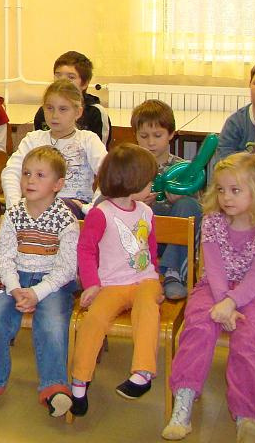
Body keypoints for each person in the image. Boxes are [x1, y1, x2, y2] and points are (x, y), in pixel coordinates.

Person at [163, 153, 255, 442]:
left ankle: (247, 415)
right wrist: (222, 301)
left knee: (249, 338)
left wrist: (231, 303)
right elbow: (214, 267)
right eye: (221, 189)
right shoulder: (213, 221)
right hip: (213, 287)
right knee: (198, 327)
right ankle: (183, 404)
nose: (226, 197)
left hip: (254, 293)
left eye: (235, 190)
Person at [0, 146, 79, 419]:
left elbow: (67, 269)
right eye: (27, 173)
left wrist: (37, 292)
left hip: (52, 284)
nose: (30, 180)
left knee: (52, 323)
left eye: (40, 175)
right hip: (14, 281)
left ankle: (54, 388)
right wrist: (16, 288)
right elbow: (5, 258)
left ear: (58, 185)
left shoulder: (66, 219)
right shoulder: (13, 215)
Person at [70, 144, 161, 415]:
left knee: (147, 311)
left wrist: (156, 276)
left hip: (144, 280)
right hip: (111, 284)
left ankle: (143, 373)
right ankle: (79, 380)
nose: (152, 184)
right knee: (94, 320)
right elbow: (85, 250)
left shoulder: (146, 211)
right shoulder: (102, 213)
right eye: (148, 180)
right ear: (132, 182)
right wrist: (91, 284)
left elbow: (151, 247)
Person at [132, 99, 201, 301]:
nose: (151, 142)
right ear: (135, 135)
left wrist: (180, 199)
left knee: (188, 204)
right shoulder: (129, 167)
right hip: (140, 238)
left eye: (157, 135)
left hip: (173, 243)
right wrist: (135, 202)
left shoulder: (183, 168)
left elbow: (197, 210)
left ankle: (173, 273)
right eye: (144, 136)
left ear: (171, 134)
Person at [2, 80, 106, 213]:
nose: (55, 115)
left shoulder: (88, 140)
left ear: (78, 112)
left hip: (74, 208)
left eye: (63, 109)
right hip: (37, 205)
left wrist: (91, 208)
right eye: (49, 108)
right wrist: (15, 208)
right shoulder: (33, 139)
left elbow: (109, 175)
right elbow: (11, 172)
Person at [32, 51, 111, 147]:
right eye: (58, 75)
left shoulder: (96, 113)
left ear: (85, 83)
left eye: (71, 77)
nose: (63, 81)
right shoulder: (44, 111)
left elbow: (101, 150)